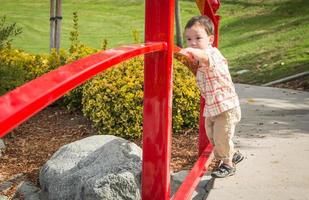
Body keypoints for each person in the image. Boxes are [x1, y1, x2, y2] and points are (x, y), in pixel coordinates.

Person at [180, 15, 244, 178]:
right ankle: (233, 153)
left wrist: (191, 51)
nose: (193, 42)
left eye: (198, 38)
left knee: (221, 136)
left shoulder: (212, 54)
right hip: (213, 107)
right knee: (212, 136)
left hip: (226, 107)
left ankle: (228, 165)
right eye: (188, 39)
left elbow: (206, 58)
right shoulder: (200, 59)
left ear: (210, 39)